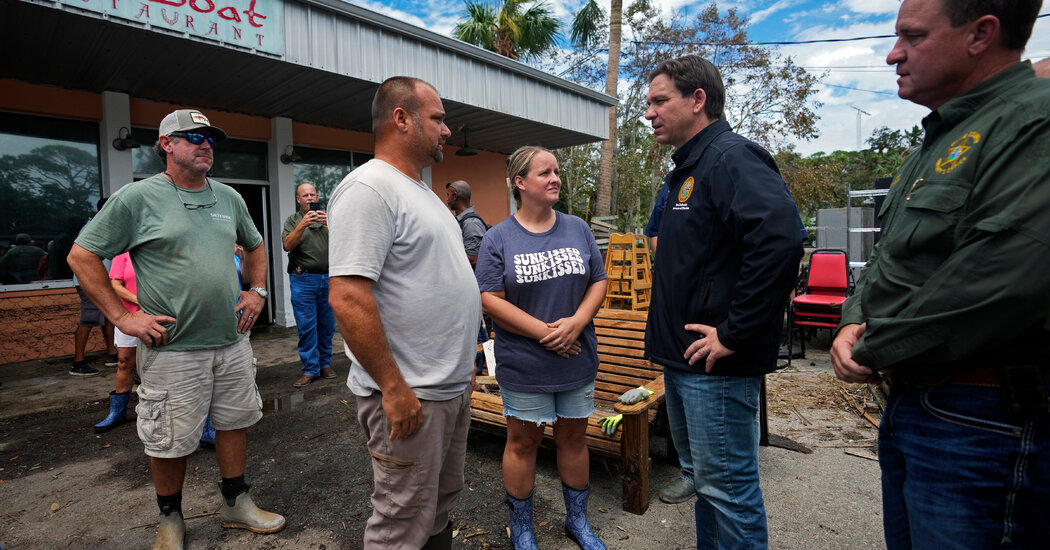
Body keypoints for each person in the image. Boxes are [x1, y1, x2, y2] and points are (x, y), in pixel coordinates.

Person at [830, 1, 1050, 547]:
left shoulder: (1032, 121)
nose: (892, 54)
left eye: (911, 36)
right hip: (916, 402)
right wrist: (850, 320)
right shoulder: (941, 138)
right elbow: (891, 258)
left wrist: (874, 345)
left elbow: (1004, 280)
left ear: (980, 35)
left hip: (983, 420)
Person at [67, 108, 284, 550]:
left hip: (232, 340)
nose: (206, 145)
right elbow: (81, 257)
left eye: (210, 139)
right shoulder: (137, 198)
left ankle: (235, 502)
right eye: (193, 137)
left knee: (234, 421)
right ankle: (170, 519)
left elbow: (258, 246)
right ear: (166, 144)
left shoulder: (229, 197)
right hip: (173, 348)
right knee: (168, 438)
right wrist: (125, 318)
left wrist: (257, 291)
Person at [643, 55, 803, 549]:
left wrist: (734, 332)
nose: (649, 113)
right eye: (647, 103)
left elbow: (780, 241)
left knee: (730, 493)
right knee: (710, 490)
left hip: (716, 368)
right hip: (684, 361)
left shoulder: (730, 157)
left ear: (698, 100)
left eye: (659, 101)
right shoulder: (688, 168)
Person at [327, 76, 478, 549]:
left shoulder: (423, 192)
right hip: (410, 395)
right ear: (401, 118)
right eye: (437, 118)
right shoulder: (369, 189)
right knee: (400, 522)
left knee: (437, 507)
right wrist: (393, 389)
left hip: (446, 389)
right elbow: (348, 298)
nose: (446, 130)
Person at [475, 146, 609, 550]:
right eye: (544, 173)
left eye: (557, 171)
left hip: (576, 359)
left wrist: (577, 323)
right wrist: (545, 333)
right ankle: (523, 529)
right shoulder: (498, 237)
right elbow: (489, 298)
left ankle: (578, 522)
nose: (555, 178)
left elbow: (598, 280)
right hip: (527, 364)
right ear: (520, 183)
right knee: (523, 443)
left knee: (573, 440)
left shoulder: (577, 228)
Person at [282, 182, 337, 388]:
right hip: (303, 279)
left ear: (317, 196)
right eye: (305, 196)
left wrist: (331, 224)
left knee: (327, 326)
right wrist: (302, 225)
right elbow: (287, 245)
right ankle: (310, 369)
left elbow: (346, 241)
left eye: (312, 195)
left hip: (328, 278)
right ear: (298, 199)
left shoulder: (328, 218)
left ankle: (325, 364)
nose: (309, 198)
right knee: (307, 326)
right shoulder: (293, 220)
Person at [446, 179, 490, 375]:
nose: (447, 199)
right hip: (460, 290)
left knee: (474, 332)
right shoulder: (459, 220)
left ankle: (477, 373)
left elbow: (475, 258)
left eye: (448, 195)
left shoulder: (471, 222)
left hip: (471, 290)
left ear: (455, 196)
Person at [93, 252, 139, 432]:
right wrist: (140, 301)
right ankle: (118, 412)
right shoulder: (123, 254)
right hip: (128, 317)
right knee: (124, 362)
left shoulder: (160, 247)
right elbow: (115, 285)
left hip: (160, 315)